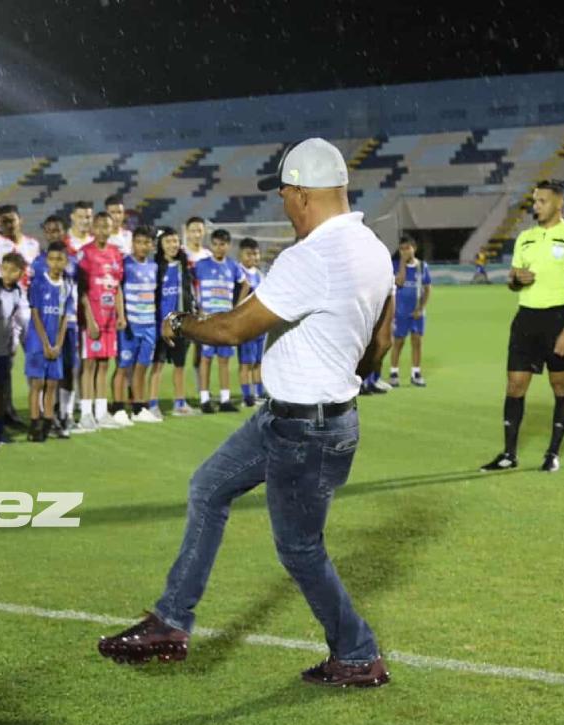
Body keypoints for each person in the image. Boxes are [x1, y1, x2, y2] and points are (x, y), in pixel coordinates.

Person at [98, 138, 395, 688]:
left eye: (284, 193)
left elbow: (234, 329)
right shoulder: (374, 248)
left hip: (303, 427)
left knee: (301, 548)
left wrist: (178, 324)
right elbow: (381, 342)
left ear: (303, 193)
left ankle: (358, 652)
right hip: (307, 418)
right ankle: (170, 621)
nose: (282, 204)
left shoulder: (311, 256)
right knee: (208, 487)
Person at [481, 180, 564, 474]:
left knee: (561, 385)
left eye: (542, 200)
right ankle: (508, 454)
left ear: (558, 203)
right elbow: (513, 281)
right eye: (535, 200)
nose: (536, 206)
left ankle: (552, 453)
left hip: (557, 320)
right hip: (525, 319)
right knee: (515, 385)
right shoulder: (525, 238)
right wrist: (516, 279)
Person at [77, 211, 126, 429]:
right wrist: (89, 319)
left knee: (105, 364)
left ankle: (101, 412)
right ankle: (86, 414)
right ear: (93, 229)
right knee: (89, 365)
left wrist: (121, 314)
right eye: (99, 226)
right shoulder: (84, 254)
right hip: (92, 318)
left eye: (107, 227)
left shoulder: (116, 254)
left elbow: (117, 288)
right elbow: (81, 290)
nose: (103, 231)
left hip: (109, 318)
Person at [35, 216, 82, 433]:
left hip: (69, 323)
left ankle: (66, 413)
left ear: (64, 232)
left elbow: (80, 293)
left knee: (69, 369)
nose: (53, 234)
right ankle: (48, 415)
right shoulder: (37, 263)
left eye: (57, 230)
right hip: (47, 324)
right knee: (47, 373)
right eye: (50, 230)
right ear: (45, 232)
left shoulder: (73, 262)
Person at [194, 228, 249, 413]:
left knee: (224, 360)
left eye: (223, 244)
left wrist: (237, 307)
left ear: (228, 246)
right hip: (207, 320)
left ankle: (225, 400)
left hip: (225, 320)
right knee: (206, 359)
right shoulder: (201, 265)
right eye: (216, 244)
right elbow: (192, 285)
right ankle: (204, 399)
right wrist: (198, 308)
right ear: (211, 245)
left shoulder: (233, 266)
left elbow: (246, 284)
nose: (219, 248)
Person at [24, 242, 72, 442]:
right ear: (46, 261)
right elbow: (35, 315)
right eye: (51, 259)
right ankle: (34, 424)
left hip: (55, 344)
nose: (55, 263)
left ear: (66, 261)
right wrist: (45, 344)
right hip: (38, 342)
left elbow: (64, 318)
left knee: (52, 384)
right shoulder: (38, 284)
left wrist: (58, 344)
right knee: (38, 383)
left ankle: (48, 420)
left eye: (59, 259)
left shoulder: (67, 286)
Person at [150, 227, 198, 418]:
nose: (172, 245)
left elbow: (189, 295)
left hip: (182, 323)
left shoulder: (184, 266)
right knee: (158, 365)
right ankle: (152, 404)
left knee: (180, 365)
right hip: (162, 325)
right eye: (168, 241)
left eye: (175, 241)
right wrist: (160, 324)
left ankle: (180, 403)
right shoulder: (156, 267)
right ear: (161, 245)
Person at [117, 225, 160, 423]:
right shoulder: (124, 264)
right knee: (124, 367)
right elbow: (117, 290)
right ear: (132, 243)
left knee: (142, 367)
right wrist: (121, 316)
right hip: (130, 325)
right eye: (139, 242)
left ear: (152, 245)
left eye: (147, 243)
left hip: (149, 324)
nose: (143, 246)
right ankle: (118, 408)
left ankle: (138, 407)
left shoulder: (154, 266)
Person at [0, 253, 29, 443]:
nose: (7, 273)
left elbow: (13, 319)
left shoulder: (17, 292)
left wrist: (12, 343)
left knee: (0, 389)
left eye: (13, 270)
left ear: (21, 273)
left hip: (3, 348)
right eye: (4, 269)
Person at [387, 235, 431, 388]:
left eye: (408, 248)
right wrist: (403, 264)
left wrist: (421, 308)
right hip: (400, 312)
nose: (405, 251)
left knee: (417, 342)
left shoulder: (423, 266)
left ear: (414, 248)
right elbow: (399, 282)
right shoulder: (395, 265)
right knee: (398, 342)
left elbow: (427, 289)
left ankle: (416, 373)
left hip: (417, 313)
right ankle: (394, 373)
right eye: (402, 249)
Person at [236, 237, 267, 406]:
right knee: (245, 362)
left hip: (260, 325)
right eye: (249, 254)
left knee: (258, 361)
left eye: (255, 254)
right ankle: (246, 396)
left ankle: (259, 392)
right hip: (245, 325)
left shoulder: (261, 275)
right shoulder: (239, 274)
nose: (253, 258)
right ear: (241, 254)